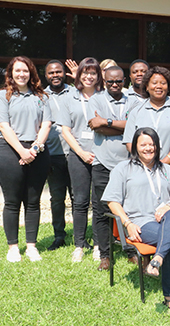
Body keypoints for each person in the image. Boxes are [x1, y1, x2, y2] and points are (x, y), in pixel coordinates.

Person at [102, 127, 170, 312]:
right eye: (143, 144)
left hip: (166, 220)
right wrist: (127, 223)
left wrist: (168, 206)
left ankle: (156, 259)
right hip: (140, 224)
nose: (148, 148)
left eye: (152, 144)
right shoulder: (123, 168)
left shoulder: (166, 169)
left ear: (157, 147)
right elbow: (112, 201)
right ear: (135, 146)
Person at [0, 56, 51, 262]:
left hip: (37, 150)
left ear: (31, 73)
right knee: (12, 202)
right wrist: (22, 151)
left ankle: (31, 246)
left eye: (25, 70)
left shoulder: (42, 97)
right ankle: (13, 247)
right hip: (10, 151)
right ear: (10, 73)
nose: (21, 74)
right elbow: (2, 125)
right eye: (17, 70)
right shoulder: (3, 96)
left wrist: (34, 148)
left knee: (33, 202)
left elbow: (46, 125)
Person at [87, 66, 136, 270]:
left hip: (129, 163)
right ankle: (105, 255)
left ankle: (132, 250)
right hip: (103, 162)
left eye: (118, 81)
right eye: (110, 82)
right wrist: (124, 125)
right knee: (101, 210)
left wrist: (106, 122)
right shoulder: (95, 100)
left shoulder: (134, 100)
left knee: (132, 209)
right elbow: (94, 126)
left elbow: (135, 125)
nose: (114, 85)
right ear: (104, 81)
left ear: (124, 81)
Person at [57, 57, 103, 262]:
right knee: (80, 201)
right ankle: (79, 245)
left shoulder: (104, 97)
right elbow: (65, 130)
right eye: (85, 72)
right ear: (79, 75)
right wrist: (82, 153)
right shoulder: (69, 97)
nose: (89, 76)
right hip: (78, 154)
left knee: (99, 202)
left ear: (98, 76)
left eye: (93, 73)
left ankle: (100, 244)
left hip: (102, 154)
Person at [123, 66, 170, 185]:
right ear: (146, 86)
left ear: (168, 86)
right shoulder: (136, 111)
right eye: (154, 83)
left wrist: (166, 161)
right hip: (144, 171)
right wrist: (147, 162)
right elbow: (129, 142)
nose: (159, 86)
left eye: (163, 83)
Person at [43, 60, 73, 251]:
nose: (55, 75)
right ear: (46, 75)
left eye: (58, 72)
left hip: (75, 153)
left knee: (79, 199)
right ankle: (59, 236)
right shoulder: (41, 95)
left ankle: (80, 237)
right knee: (57, 198)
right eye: (51, 73)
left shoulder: (75, 92)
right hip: (53, 154)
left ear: (64, 73)